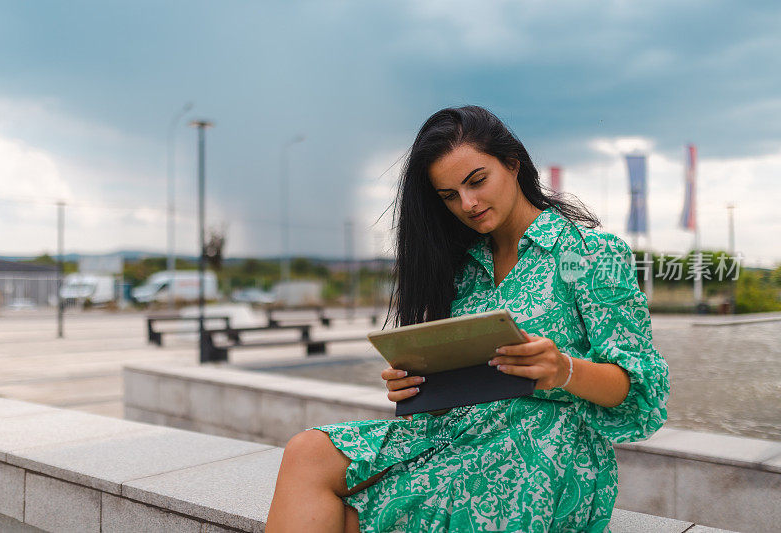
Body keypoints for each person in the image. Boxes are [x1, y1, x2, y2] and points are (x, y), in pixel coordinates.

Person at [266, 105, 670, 532]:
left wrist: (562, 369)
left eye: (477, 181)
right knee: (306, 452)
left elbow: (642, 394)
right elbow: (457, 387)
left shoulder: (585, 252)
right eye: (449, 196)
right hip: (458, 437)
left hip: (542, 448)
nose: (468, 203)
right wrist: (416, 383)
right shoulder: (461, 269)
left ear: (512, 164)